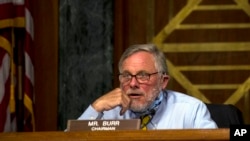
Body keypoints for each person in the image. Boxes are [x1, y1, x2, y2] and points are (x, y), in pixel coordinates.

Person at [78, 43, 218, 129]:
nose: (132, 84)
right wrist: (95, 108)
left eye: (143, 76)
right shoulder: (107, 113)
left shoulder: (190, 110)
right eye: (127, 75)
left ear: (163, 81)